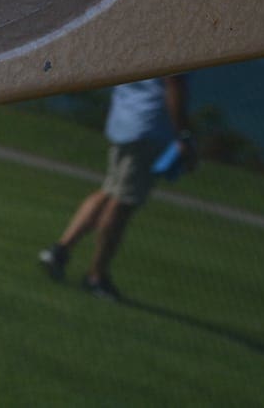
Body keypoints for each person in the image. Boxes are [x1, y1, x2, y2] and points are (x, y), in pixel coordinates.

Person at [38, 74, 194, 301]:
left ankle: (61, 251)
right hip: (148, 126)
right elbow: (175, 82)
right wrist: (184, 135)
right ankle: (96, 275)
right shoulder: (174, 40)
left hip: (124, 119)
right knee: (122, 203)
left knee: (110, 191)